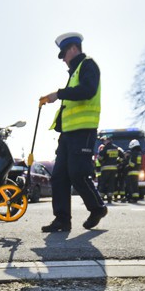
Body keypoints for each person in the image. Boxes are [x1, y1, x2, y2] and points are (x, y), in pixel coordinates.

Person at [39, 32, 107, 232]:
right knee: (59, 176)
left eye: (64, 55)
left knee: (78, 173)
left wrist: (57, 94)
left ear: (73, 49)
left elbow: (87, 91)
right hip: (68, 135)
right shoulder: (74, 72)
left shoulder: (88, 65)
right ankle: (62, 220)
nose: (63, 61)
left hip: (83, 131)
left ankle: (97, 208)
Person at [96, 136, 123, 204]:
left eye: (105, 141)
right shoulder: (116, 148)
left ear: (108, 141)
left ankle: (101, 197)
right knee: (111, 183)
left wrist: (102, 162)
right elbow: (122, 157)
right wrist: (118, 162)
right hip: (114, 168)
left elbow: (100, 157)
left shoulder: (105, 148)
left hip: (105, 168)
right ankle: (109, 198)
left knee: (103, 182)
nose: (104, 142)